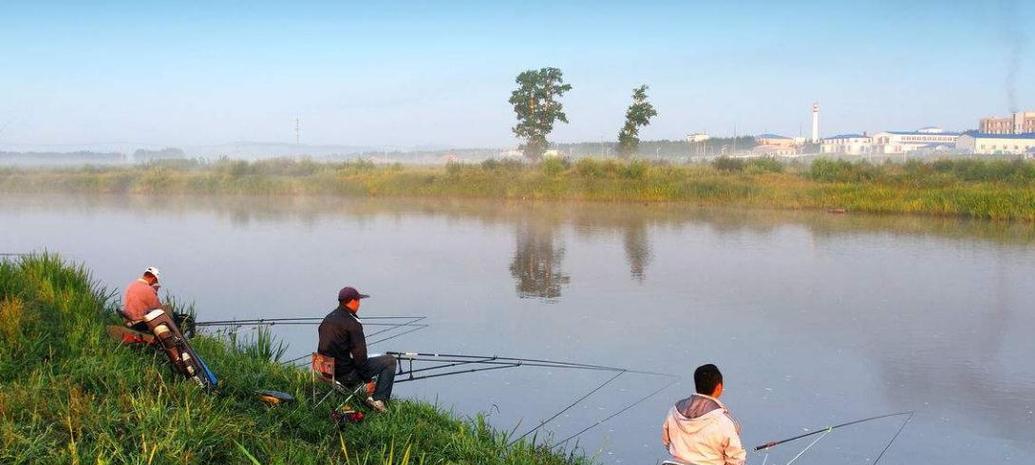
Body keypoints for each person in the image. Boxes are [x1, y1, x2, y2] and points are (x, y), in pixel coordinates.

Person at [318, 286, 396, 413]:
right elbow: (360, 356)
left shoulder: (328, 319)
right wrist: (368, 381)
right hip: (345, 375)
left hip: (327, 372)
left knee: (362, 360)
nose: (359, 304)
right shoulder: (353, 323)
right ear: (353, 301)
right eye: (358, 300)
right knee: (390, 361)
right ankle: (378, 401)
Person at [661, 363, 746, 465]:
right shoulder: (724, 421)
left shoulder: (674, 412)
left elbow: (667, 442)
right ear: (719, 387)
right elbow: (736, 459)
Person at [122, 266, 163, 331]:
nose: (154, 283)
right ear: (153, 278)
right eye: (155, 281)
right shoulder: (149, 289)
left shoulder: (131, 286)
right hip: (139, 322)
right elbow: (158, 309)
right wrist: (155, 292)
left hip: (129, 321)